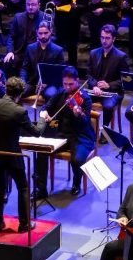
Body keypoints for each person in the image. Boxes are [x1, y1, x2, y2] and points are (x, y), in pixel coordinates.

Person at [0, 76, 47, 230]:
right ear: (20, 94)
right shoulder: (19, 111)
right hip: (12, 155)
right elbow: (37, 132)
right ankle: (24, 224)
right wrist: (42, 118)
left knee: (0, 186)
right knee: (23, 187)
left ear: (6, 89)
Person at [34, 66, 95, 197]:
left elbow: (85, 121)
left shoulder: (85, 99)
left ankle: (76, 183)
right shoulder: (60, 93)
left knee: (77, 159)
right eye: (65, 84)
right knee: (41, 151)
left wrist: (78, 114)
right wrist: (45, 114)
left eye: (70, 84)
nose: (67, 87)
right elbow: (46, 106)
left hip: (80, 136)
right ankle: (41, 189)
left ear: (77, 81)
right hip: (61, 134)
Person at [88, 25, 130, 127]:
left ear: (114, 39)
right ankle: (86, 128)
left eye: (107, 38)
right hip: (96, 90)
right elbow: (88, 74)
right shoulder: (93, 53)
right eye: (102, 37)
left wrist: (109, 85)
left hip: (113, 92)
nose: (104, 40)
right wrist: (94, 85)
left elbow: (126, 80)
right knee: (80, 100)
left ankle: (105, 131)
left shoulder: (121, 56)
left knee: (108, 106)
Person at [20, 20, 66, 103]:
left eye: (46, 33)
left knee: (51, 95)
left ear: (50, 32)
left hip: (49, 84)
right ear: (36, 32)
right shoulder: (30, 48)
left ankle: (47, 115)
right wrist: (22, 82)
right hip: (33, 83)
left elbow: (60, 73)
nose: (43, 36)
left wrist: (47, 84)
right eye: (40, 33)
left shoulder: (58, 50)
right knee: (17, 91)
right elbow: (24, 68)